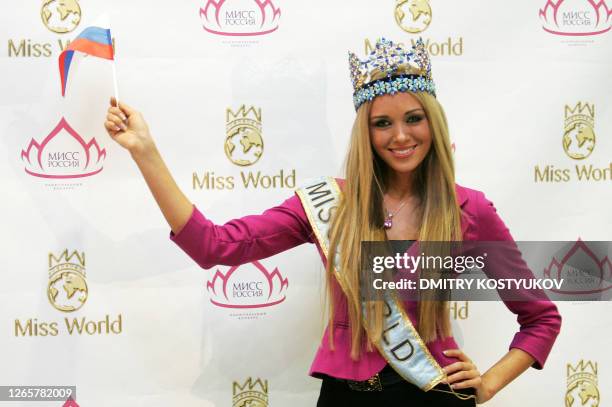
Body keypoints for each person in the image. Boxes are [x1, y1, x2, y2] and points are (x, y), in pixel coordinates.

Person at [103, 38, 561, 406]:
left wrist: (490, 383)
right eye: (382, 123)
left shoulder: (469, 210)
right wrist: (145, 151)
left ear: (433, 124)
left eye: (413, 119)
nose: (400, 136)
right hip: (344, 397)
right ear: (365, 132)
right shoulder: (329, 203)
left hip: (433, 393)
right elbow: (214, 246)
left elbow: (541, 317)